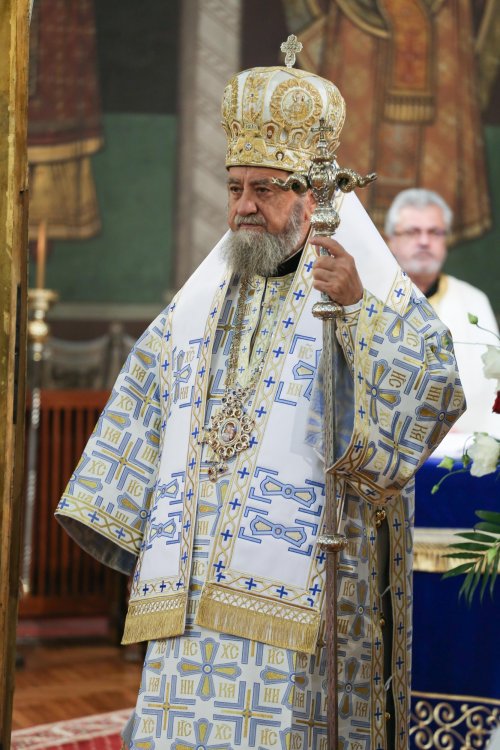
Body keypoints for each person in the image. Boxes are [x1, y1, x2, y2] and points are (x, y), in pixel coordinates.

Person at [56, 50, 464, 750]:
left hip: (307, 592)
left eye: (266, 189)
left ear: (314, 196)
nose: (244, 206)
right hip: (189, 598)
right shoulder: (203, 298)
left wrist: (361, 311)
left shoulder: (359, 282)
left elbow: (433, 384)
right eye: (235, 186)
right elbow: (145, 392)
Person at [386, 188, 499, 439]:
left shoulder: (473, 302)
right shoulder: (372, 297)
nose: (424, 241)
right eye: (413, 232)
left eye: (434, 232)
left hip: (461, 449)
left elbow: (493, 387)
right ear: (391, 240)